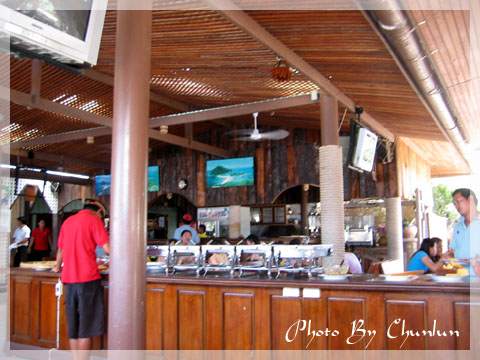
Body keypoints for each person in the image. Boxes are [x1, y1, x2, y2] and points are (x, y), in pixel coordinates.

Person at [52, 202, 110, 358]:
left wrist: (57, 266)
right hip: (88, 279)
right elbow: (107, 249)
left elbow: (61, 249)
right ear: (98, 212)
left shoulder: (67, 221)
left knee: (74, 327)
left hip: (69, 280)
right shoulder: (94, 221)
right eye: (103, 216)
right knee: (87, 327)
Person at [449, 188, 480, 263]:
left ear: (470, 199)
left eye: (458, 201)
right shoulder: (458, 226)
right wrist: (448, 256)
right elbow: (453, 250)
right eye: (454, 204)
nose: (456, 207)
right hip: (461, 272)